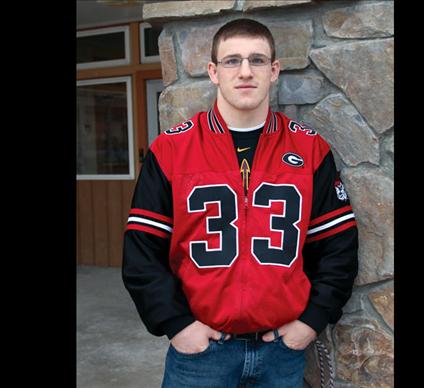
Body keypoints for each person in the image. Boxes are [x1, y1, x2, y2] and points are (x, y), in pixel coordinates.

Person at [122, 18, 358, 388]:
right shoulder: (171, 150)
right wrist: (177, 325)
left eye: (257, 60)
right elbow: (141, 252)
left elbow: (338, 246)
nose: (245, 71)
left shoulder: (310, 149)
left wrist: (312, 321)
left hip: (282, 352)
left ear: (273, 70)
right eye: (232, 61)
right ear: (214, 72)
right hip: (201, 355)